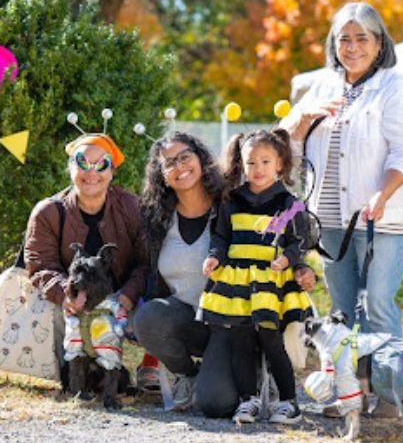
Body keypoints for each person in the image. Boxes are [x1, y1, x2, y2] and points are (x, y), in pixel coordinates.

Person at [281, 1, 403, 418]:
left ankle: (388, 394)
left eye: (362, 38)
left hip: (384, 217)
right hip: (330, 221)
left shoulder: (396, 88)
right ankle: (350, 394)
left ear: (379, 43)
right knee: (342, 310)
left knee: (379, 303)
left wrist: (383, 193)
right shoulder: (323, 86)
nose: (352, 46)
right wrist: (302, 119)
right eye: (344, 38)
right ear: (334, 44)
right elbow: (285, 147)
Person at [130, 132, 317, 417]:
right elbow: (147, 270)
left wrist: (298, 265)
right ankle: (191, 375)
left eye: (184, 157)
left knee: (216, 404)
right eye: (169, 163)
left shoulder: (231, 201)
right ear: (161, 174)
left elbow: (286, 238)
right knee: (148, 317)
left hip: (234, 312)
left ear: (201, 159)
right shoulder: (158, 217)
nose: (179, 167)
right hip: (192, 316)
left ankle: (261, 377)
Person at [200, 129, 313, 424]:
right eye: (251, 163)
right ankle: (248, 399)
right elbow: (222, 237)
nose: (258, 169)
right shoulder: (231, 200)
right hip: (237, 281)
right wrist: (215, 256)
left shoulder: (289, 204)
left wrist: (288, 258)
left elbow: (298, 241)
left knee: (271, 340)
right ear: (241, 164)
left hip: (270, 284)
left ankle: (288, 402)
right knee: (241, 340)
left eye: (265, 162)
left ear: (280, 164)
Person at [24, 133, 143, 372]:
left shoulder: (132, 207)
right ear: (70, 168)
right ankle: (69, 368)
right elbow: (40, 264)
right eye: (82, 163)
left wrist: (127, 297)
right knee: (55, 316)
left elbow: (147, 261)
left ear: (112, 172)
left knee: (152, 310)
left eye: (102, 165)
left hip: (119, 300)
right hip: (69, 301)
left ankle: (146, 367)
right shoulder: (48, 212)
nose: (92, 173)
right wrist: (64, 294)